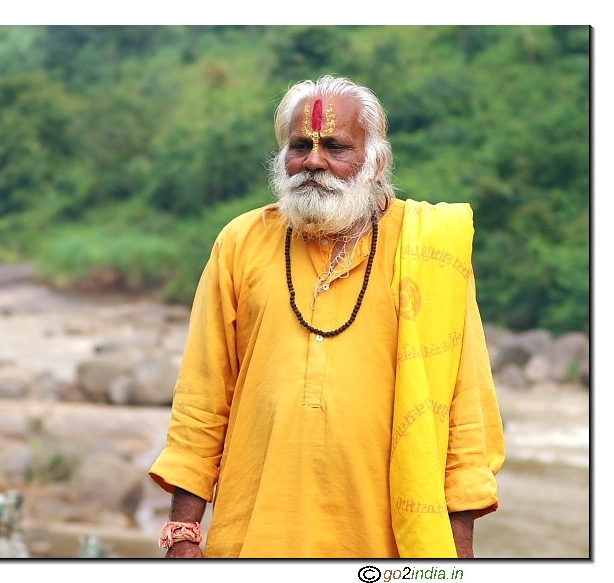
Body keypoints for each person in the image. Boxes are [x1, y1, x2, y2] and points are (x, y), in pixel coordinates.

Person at [148, 75, 505, 559]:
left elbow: (466, 414)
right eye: (300, 146)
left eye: (335, 147)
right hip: (254, 537)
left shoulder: (430, 249)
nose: (313, 161)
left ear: (375, 161)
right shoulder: (240, 242)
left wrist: (455, 559)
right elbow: (203, 398)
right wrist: (183, 533)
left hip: (387, 546)